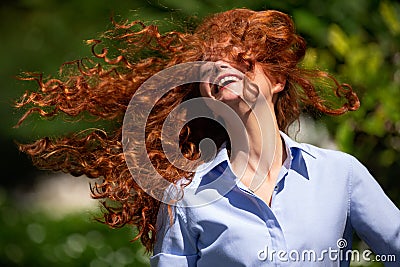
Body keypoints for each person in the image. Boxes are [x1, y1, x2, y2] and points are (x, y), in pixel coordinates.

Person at [16, 8, 399, 266]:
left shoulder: (340, 174)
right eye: (213, 63)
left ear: (278, 80)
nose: (223, 68)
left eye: (242, 61)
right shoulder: (184, 198)